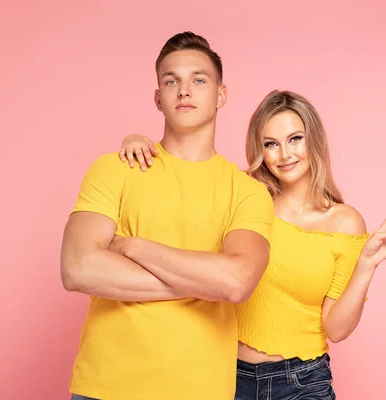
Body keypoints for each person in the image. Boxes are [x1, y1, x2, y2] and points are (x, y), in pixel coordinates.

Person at [117, 89, 386, 399]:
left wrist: (366, 266)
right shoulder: (243, 196)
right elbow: (177, 191)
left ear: (313, 140)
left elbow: (337, 329)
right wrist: (137, 143)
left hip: (303, 381)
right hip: (224, 376)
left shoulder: (344, 222)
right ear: (259, 149)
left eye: (295, 139)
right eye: (271, 144)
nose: (285, 154)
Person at [60, 31, 275, 400]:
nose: (184, 90)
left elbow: (237, 282)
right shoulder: (115, 168)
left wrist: (133, 248)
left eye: (199, 79)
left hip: (199, 390)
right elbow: (77, 267)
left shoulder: (248, 191)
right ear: (158, 98)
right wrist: (205, 284)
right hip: (105, 386)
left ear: (221, 94)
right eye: (171, 80)